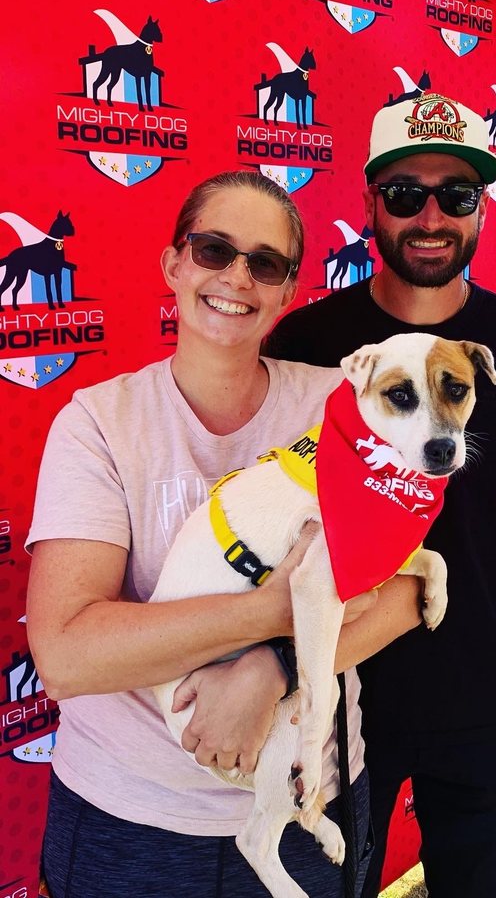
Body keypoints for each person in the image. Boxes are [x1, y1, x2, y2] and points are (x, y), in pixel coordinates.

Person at [25, 170, 426, 898]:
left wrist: (272, 665)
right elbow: (68, 654)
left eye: (265, 263)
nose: (237, 276)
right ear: (174, 264)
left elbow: (401, 594)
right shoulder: (98, 424)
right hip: (129, 817)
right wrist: (277, 613)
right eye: (214, 250)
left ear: (287, 291)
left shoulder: (337, 405)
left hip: (310, 807)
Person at [266, 91, 496, 898]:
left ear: (482, 208)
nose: (432, 216)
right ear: (372, 202)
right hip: (340, 692)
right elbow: (272, 525)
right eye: (407, 194)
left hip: (487, 692)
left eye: (457, 195)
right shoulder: (306, 348)